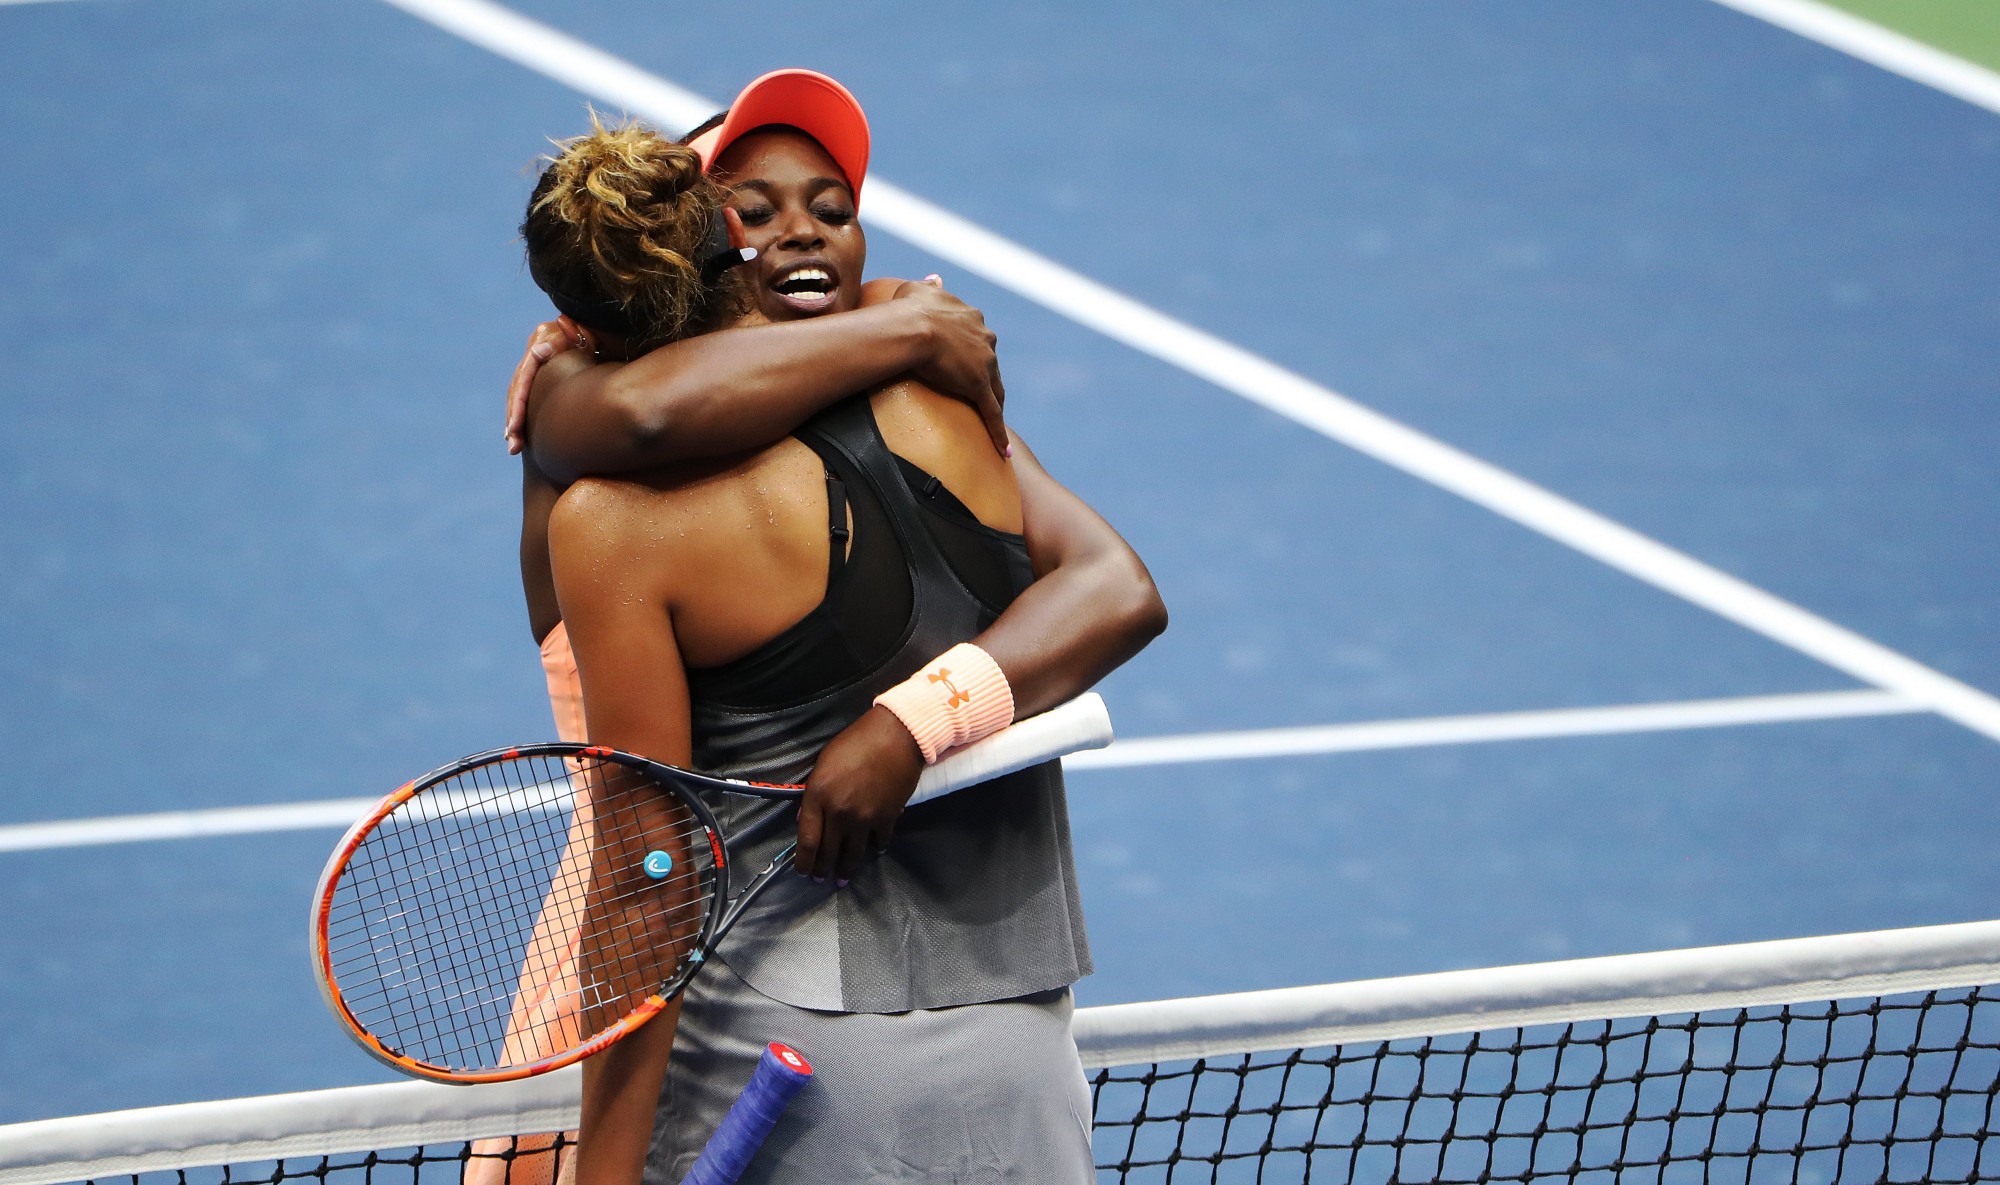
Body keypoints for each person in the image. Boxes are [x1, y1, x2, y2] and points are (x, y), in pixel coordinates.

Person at [517, 71, 1165, 1185]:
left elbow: (647, 882)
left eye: (828, 204)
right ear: (709, 248)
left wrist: (907, 723)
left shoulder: (608, 512)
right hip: (1021, 1036)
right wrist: (912, 320)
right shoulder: (937, 387)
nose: (800, 234)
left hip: (768, 1043)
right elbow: (643, 405)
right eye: (751, 210)